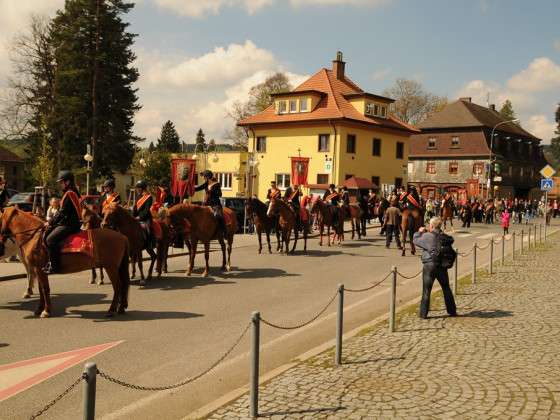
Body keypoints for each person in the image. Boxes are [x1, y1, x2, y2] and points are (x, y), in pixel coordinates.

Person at [413, 217, 457, 319]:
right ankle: (452, 311)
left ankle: (423, 314)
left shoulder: (427, 236)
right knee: (446, 288)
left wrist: (419, 232)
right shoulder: (444, 236)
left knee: (426, 291)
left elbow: (415, 240)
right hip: (441, 265)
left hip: (429, 265)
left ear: (432, 226)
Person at [43, 171, 82, 274]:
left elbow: (62, 212)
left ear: (68, 182)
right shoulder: (72, 192)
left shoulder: (70, 193)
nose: (60, 184)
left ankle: (55, 266)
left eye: (61, 182)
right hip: (68, 222)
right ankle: (50, 260)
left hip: (69, 224)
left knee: (50, 239)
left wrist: (50, 222)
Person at [195, 170, 225, 236]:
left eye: (204, 176)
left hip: (215, 204)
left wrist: (211, 192)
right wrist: (191, 188)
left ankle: (223, 231)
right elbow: (198, 188)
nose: (203, 178)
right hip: (206, 204)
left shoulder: (216, 184)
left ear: (207, 177)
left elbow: (220, 194)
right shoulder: (206, 184)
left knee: (219, 216)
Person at [133, 180, 154, 245]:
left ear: (142, 188)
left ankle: (150, 244)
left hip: (146, 218)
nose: (137, 190)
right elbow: (136, 209)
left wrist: (140, 217)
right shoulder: (138, 196)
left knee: (148, 230)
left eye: (138, 188)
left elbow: (146, 210)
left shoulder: (149, 197)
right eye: (137, 188)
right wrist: (133, 214)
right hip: (136, 217)